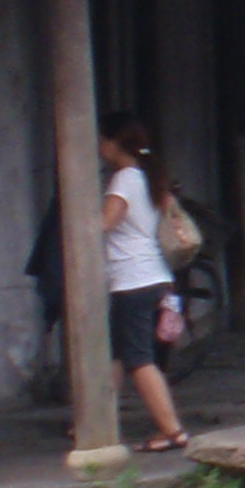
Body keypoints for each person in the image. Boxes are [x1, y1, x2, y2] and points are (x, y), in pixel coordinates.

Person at [98, 115, 189, 454]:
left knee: (138, 359)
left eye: (101, 140)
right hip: (157, 276)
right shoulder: (149, 177)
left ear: (112, 144)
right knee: (116, 355)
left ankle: (173, 430)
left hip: (132, 279)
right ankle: (96, 422)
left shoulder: (124, 179)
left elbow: (104, 224)